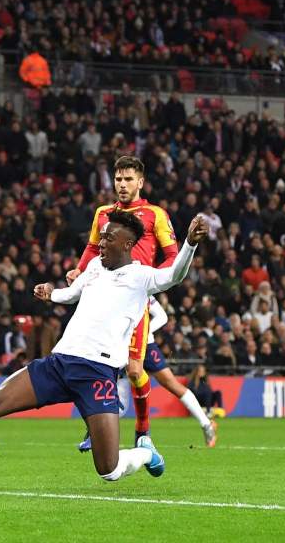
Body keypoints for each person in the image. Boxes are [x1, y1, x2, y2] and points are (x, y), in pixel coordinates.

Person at [0, 211, 208, 493]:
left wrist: (190, 244)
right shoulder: (94, 266)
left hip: (98, 373)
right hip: (59, 363)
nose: (101, 243)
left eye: (109, 238)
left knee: (108, 470)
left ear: (126, 244)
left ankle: (147, 453)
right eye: (102, 237)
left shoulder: (141, 276)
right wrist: (52, 294)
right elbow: (72, 295)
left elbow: (175, 275)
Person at [68, 156, 178, 452]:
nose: (122, 184)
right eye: (118, 179)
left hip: (134, 301)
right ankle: (97, 427)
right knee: (98, 365)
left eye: (129, 179)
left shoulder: (155, 214)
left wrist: (155, 279)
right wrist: (79, 270)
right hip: (102, 302)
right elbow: (93, 247)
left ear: (140, 182)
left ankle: (143, 432)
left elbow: (172, 254)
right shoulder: (103, 213)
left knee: (132, 369)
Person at [142, 300, 218, 446]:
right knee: (115, 381)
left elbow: (161, 316)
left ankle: (206, 424)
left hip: (145, 346)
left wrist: (143, 332)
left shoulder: (142, 288)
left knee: (171, 384)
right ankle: (97, 431)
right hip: (120, 344)